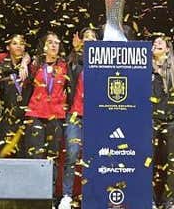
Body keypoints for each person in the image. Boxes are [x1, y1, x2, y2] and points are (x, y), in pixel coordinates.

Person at [58, 27, 96, 209]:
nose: (89, 39)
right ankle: (66, 195)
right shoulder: (74, 60)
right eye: (85, 37)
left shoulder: (103, 62)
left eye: (92, 37)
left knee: (92, 157)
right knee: (72, 155)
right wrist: (75, 50)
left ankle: (90, 195)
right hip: (75, 114)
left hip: (96, 116)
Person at [23, 32, 69, 170]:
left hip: (56, 115)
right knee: (35, 155)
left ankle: (51, 191)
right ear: (43, 46)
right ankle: (34, 190)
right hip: (35, 114)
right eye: (50, 42)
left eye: (56, 42)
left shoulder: (65, 66)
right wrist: (24, 61)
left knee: (52, 156)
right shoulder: (35, 65)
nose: (54, 45)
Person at [151, 35, 174, 209]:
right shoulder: (145, 67)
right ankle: (150, 199)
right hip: (150, 119)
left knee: (171, 162)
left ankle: (169, 200)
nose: (156, 44)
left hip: (170, 120)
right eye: (154, 43)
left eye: (160, 43)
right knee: (150, 160)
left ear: (168, 49)